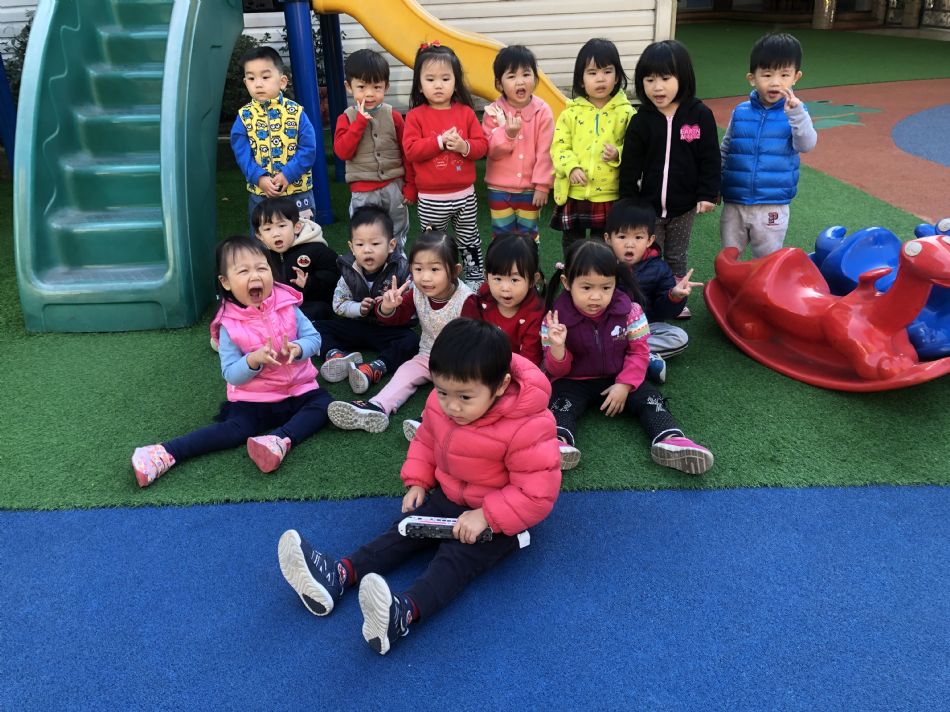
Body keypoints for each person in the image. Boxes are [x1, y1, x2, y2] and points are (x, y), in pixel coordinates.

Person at [276, 318, 561, 655]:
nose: (452, 406)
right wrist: (418, 481)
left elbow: (537, 492)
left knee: (455, 559)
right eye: (443, 392)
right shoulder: (442, 406)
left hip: (499, 518)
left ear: (501, 386)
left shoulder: (527, 423)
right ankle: (338, 575)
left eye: (465, 397)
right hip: (449, 496)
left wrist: (487, 515)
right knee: (403, 531)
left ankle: (402, 614)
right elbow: (427, 441)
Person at [130, 237, 331, 487]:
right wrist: (253, 360)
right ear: (226, 282)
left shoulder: (287, 305)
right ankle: (165, 452)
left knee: (324, 405)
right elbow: (231, 374)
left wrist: (299, 348)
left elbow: (314, 338)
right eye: (243, 271)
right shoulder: (229, 324)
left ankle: (279, 440)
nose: (255, 275)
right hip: (256, 399)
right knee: (235, 430)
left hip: (300, 389)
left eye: (261, 268)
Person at [542, 239, 713, 474]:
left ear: (615, 282)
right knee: (560, 404)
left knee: (650, 398)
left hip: (619, 374)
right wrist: (558, 348)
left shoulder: (630, 311)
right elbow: (556, 371)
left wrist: (624, 384)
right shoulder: (554, 320)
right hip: (575, 380)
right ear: (567, 283)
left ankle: (671, 439)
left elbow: (639, 352)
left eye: (606, 288)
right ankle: (558, 442)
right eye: (586, 288)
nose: (596, 297)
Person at [327, 229, 480, 433]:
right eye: (418, 269)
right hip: (427, 354)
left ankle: (429, 421)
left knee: (449, 391)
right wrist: (387, 307)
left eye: (434, 269)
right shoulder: (417, 291)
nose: (425, 277)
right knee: (405, 372)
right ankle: (377, 406)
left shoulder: (467, 300)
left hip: (458, 363)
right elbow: (397, 317)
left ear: (454, 270)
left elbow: (475, 343)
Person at [618, 39, 720, 321]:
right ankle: (641, 297)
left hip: (684, 206)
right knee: (648, 254)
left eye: (665, 78)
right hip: (648, 207)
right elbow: (630, 166)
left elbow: (710, 158)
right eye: (649, 80)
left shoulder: (699, 115)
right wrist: (627, 202)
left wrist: (707, 194)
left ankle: (676, 297)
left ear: (683, 77)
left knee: (676, 255)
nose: (657, 87)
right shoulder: (642, 120)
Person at [719, 32, 817, 258]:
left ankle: (761, 283)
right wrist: (715, 183)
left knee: (767, 261)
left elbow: (806, 144)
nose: (775, 82)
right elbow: (726, 149)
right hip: (735, 201)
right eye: (767, 74)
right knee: (729, 256)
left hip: (772, 205)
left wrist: (797, 114)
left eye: (784, 75)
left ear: (796, 77)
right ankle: (729, 282)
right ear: (752, 78)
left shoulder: (796, 113)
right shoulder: (740, 111)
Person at [402, 42, 488, 284]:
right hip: (431, 199)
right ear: (420, 85)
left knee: (469, 240)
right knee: (433, 244)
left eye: (445, 78)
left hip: (464, 195)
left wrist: (463, 146)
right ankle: (436, 280)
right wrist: (439, 141)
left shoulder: (466, 113)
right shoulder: (415, 116)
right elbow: (411, 150)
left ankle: (474, 278)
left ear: (456, 82)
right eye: (430, 79)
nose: (438, 85)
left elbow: (482, 146)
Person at [312, 205, 420, 394]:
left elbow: (413, 312)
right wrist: (358, 308)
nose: (367, 250)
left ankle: (375, 368)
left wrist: (393, 306)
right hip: (357, 325)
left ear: (391, 245)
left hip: (388, 330)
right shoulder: (349, 270)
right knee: (314, 328)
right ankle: (335, 356)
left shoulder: (402, 270)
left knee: (411, 341)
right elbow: (338, 304)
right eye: (360, 245)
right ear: (351, 247)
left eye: (375, 244)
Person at [549, 38, 634, 258]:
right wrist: (571, 167)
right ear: (581, 78)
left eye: (607, 71)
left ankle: (600, 275)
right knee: (572, 244)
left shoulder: (626, 113)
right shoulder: (570, 113)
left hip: (608, 194)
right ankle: (573, 272)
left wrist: (618, 153)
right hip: (575, 192)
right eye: (592, 72)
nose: (600, 78)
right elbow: (559, 147)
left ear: (617, 76)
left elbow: (636, 148)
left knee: (602, 246)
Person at [604, 200, 703, 384]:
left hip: (643, 328)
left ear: (650, 240)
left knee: (679, 337)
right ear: (608, 238)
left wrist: (674, 296)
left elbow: (662, 312)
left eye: (638, 237)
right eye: (622, 236)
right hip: (603, 328)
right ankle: (639, 359)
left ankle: (622, 355)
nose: (630, 244)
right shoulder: (599, 264)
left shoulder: (659, 268)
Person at [333, 48, 413, 252]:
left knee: (397, 228)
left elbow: (407, 153)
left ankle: (397, 260)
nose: (369, 94)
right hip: (363, 190)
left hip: (394, 186)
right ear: (349, 87)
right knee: (365, 233)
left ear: (386, 86)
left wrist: (410, 185)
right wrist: (359, 123)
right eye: (361, 87)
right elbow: (343, 152)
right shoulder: (346, 118)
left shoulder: (394, 116)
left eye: (377, 87)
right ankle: (368, 263)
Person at [230, 46, 317, 227]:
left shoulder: (296, 112)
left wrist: (288, 174)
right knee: (264, 237)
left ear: (282, 82)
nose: (258, 84)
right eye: (251, 78)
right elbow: (242, 155)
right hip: (261, 194)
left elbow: (308, 150)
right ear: (245, 82)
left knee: (303, 236)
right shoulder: (244, 117)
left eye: (265, 77)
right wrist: (259, 178)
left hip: (297, 193)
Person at [481, 45, 554, 244]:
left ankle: (529, 265)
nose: (520, 81)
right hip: (498, 189)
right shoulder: (493, 112)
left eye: (526, 74)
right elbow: (491, 150)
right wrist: (508, 134)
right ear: (499, 84)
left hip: (530, 190)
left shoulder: (542, 111)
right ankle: (502, 265)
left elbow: (546, 151)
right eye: (512, 76)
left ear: (535, 79)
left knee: (529, 236)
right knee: (502, 236)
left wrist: (542, 185)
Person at [252, 196, 339, 322]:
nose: (276, 233)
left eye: (282, 225)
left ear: (296, 227)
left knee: (319, 310)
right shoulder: (259, 256)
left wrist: (310, 282)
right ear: (259, 235)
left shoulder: (314, 248)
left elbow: (335, 273)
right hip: (276, 307)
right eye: (267, 229)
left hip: (309, 303)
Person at [478, 233, 545, 365]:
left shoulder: (536, 313)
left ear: (533, 280)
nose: (505, 288)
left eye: (514, 280)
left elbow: (529, 361)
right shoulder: (483, 296)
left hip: (521, 368)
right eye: (498, 279)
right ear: (486, 276)